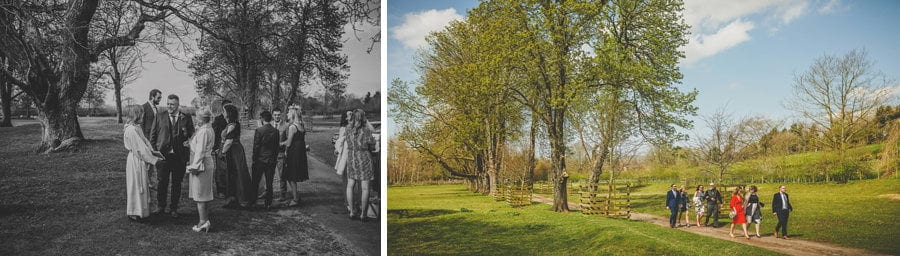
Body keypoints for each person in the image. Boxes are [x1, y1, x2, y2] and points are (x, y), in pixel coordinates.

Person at [150, 94, 194, 218]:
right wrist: (155, 152)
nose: (169, 106)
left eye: (172, 104)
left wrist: (188, 143)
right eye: (168, 104)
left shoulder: (186, 117)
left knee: (177, 183)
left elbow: (192, 134)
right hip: (163, 157)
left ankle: (174, 208)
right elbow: (152, 137)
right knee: (162, 182)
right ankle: (161, 207)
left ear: (177, 105)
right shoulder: (159, 116)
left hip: (179, 157)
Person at [123, 105, 163, 222]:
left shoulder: (137, 127)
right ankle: (135, 212)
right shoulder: (131, 130)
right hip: (136, 159)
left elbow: (145, 142)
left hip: (140, 158)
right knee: (136, 185)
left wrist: (152, 152)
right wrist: (154, 160)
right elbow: (140, 149)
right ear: (137, 115)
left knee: (142, 184)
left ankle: (142, 211)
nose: (143, 116)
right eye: (142, 114)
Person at [344, 109, 376, 221]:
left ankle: (352, 211)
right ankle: (363, 214)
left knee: (350, 185)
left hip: (351, 157)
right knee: (365, 188)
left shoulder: (347, 129)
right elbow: (372, 145)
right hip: (364, 158)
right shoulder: (366, 130)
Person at [187, 107, 215, 232]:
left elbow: (200, 151)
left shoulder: (204, 131)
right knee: (203, 194)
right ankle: (205, 219)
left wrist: (194, 167)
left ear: (201, 118)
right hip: (206, 163)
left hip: (202, 164)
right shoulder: (207, 128)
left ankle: (202, 222)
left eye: (197, 117)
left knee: (200, 195)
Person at [220, 104, 251, 208]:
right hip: (232, 151)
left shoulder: (232, 125)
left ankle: (242, 199)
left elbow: (229, 141)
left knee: (238, 173)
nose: (223, 113)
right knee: (232, 174)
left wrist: (222, 152)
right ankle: (233, 198)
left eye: (224, 111)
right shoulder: (231, 124)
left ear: (228, 113)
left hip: (234, 151)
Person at [250, 110, 280, 209]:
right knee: (269, 182)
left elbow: (256, 147)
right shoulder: (276, 131)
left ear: (262, 119)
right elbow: (276, 148)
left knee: (255, 182)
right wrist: (274, 159)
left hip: (260, 160)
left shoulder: (259, 130)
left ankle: (253, 202)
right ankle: (268, 203)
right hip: (271, 160)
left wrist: (254, 159)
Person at [281, 106, 309, 207]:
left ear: (292, 115)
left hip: (293, 153)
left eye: (288, 113)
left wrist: (280, 144)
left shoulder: (292, 127)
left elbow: (288, 143)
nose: (287, 114)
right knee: (292, 175)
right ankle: (296, 196)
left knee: (291, 176)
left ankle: (295, 199)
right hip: (300, 153)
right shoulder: (301, 125)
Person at [141, 89, 163, 208]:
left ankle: (148, 181)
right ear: (152, 97)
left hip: (154, 139)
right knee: (146, 161)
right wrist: (144, 140)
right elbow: (141, 125)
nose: (160, 100)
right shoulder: (144, 107)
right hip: (146, 139)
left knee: (152, 160)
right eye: (158, 98)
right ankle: (145, 181)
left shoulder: (157, 108)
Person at [211, 100, 230, 199]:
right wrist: (216, 148)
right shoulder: (218, 119)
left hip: (230, 148)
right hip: (220, 148)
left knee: (229, 169)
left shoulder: (233, 119)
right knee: (220, 170)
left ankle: (229, 190)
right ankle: (221, 191)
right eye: (227, 106)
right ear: (222, 107)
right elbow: (214, 134)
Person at [271, 108, 290, 200]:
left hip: (281, 153)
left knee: (282, 175)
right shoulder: (269, 124)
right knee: (268, 174)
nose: (277, 116)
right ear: (272, 115)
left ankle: (283, 194)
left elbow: (289, 140)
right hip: (270, 154)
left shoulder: (286, 125)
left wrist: (281, 144)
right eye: (275, 115)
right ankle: (268, 192)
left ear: (281, 115)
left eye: (278, 115)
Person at [334, 111, 352, 176]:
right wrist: (337, 149)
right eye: (349, 114)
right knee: (344, 164)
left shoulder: (353, 126)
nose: (351, 115)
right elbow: (340, 139)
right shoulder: (343, 128)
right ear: (346, 118)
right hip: (345, 148)